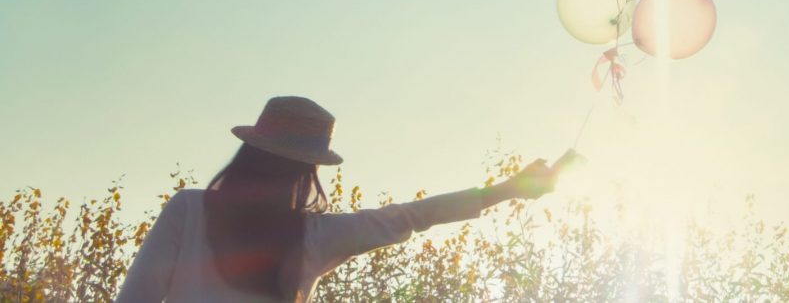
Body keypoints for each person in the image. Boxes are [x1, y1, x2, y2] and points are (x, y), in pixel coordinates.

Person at [116, 96, 581, 302]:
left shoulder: (189, 209)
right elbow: (414, 216)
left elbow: (134, 301)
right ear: (307, 171)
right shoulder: (313, 235)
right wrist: (508, 191)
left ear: (249, 153)